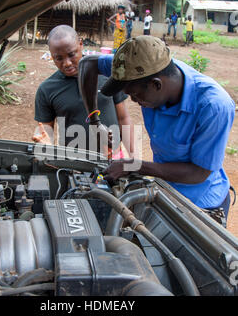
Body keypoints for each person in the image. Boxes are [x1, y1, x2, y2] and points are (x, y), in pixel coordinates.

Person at [78, 36, 235, 222]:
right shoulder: (140, 67)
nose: (134, 101)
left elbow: (199, 173)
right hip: (164, 190)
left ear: (156, 85)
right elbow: (87, 63)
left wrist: (134, 165)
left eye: (135, 95)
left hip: (200, 204)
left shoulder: (213, 107)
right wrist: (95, 120)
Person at [33, 25, 133, 156]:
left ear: (80, 44)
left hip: (112, 159)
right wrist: (46, 147)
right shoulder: (47, 89)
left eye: (71, 54)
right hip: (74, 165)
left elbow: (123, 117)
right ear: (51, 55)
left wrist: (133, 157)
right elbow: (45, 132)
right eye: (59, 58)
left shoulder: (107, 74)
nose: (67, 63)